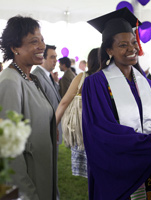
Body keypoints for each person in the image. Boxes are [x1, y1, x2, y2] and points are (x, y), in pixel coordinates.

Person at [82, 7, 151, 200]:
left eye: (133, 42)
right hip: (117, 167)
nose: (132, 49)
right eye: (123, 45)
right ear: (109, 50)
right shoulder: (96, 84)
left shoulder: (149, 86)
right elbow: (101, 131)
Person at [0, 16, 57, 200]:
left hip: (42, 174)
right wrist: (27, 195)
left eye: (42, 40)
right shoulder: (10, 81)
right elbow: (8, 150)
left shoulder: (33, 79)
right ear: (14, 47)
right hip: (27, 184)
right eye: (34, 41)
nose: (42, 46)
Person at [55, 48, 100, 178]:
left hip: (82, 132)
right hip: (102, 133)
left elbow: (64, 102)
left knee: (93, 178)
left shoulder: (83, 77)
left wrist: (54, 126)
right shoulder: (110, 78)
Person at [32, 45, 62, 145]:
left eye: (56, 57)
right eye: (52, 57)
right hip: (47, 130)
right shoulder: (37, 76)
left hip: (53, 127)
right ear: (42, 58)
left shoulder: (48, 74)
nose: (56, 60)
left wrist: (56, 83)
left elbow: (52, 96)